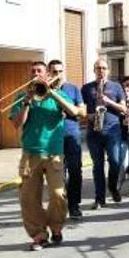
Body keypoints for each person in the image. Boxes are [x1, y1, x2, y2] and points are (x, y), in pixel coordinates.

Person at [10, 61, 80, 250]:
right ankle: (39, 235)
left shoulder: (58, 94)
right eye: (32, 71)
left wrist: (52, 93)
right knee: (29, 198)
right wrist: (27, 101)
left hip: (54, 153)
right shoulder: (21, 96)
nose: (35, 73)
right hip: (30, 153)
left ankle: (56, 227)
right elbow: (17, 124)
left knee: (58, 194)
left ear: (47, 74)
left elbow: (74, 112)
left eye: (39, 71)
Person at [81, 59, 126, 209]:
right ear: (94, 70)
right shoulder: (87, 88)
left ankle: (113, 188)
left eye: (104, 68)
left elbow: (124, 109)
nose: (101, 71)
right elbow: (81, 111)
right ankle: (99, 198)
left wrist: (108, 102)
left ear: (108, 70)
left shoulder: (116, 87)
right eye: (98, 68)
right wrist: (90, 116)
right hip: (94, 132)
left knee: (115, 162)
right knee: (97, 166)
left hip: (113, 130)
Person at [49, 60, 86, 219]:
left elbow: (83, 112)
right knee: (58, 174)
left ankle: (74, 205)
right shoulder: (44, 90)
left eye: (60, 71)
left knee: (75, 171)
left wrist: (69, 110)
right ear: (49, 73)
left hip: (71, 134)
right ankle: (60, 207)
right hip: (52, 137)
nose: (57, 75)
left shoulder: (73, 88)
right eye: (54, 72)